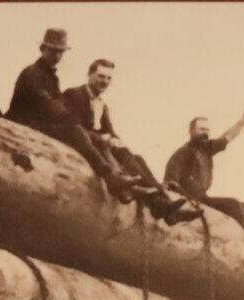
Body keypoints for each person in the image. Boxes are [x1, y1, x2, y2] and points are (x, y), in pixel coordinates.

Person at [5, 30, 181, 218]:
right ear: (42, 48)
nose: (57, 56)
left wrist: (114, 140)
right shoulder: (33, 74)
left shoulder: (54, 78)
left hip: (43, 125)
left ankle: (160, 202)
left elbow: (63, 111)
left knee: (130, 155)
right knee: (78, 131)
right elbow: (50, 106)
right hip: (27, 124)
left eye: (61, 52)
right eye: (53, 50)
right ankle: (114, 180)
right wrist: (79, 125)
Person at [62, 58, 199, 224]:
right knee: (123, 156)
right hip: (88, 148)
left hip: (104, 146)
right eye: (101, 76)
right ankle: (165, 210)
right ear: (89, 75)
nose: (104, 81)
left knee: (137, 158)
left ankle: (164, 205)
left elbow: (110, 131)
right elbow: (73, 127)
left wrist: (116, 140)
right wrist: (104, 139)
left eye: (108, 78)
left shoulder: (102, 105)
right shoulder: (74, 94)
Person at [164, 107, 244, 255]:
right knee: (233, 204)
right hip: (194, 199)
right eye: (201, 129)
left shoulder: (206, 150)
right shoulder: (183, 153)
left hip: (203, 198)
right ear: (192, 131)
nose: (205, 133)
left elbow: (227, 137)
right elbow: (170, 181)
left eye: (207, 130)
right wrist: (184, 198)